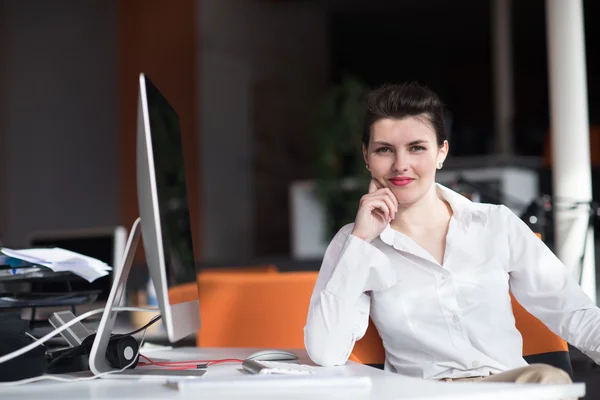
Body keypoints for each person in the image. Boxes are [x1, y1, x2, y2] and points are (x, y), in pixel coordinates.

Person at [303, 82, 600, 389]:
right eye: (384, 150)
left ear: (441, 152)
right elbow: (326, 351)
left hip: (510, 387)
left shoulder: (494, 223)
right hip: (426, 393)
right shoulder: (354, 244)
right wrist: (361, 242)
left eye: (417, 148)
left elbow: (573, 312)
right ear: (366, 155)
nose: (400, 165)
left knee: (548, 381)